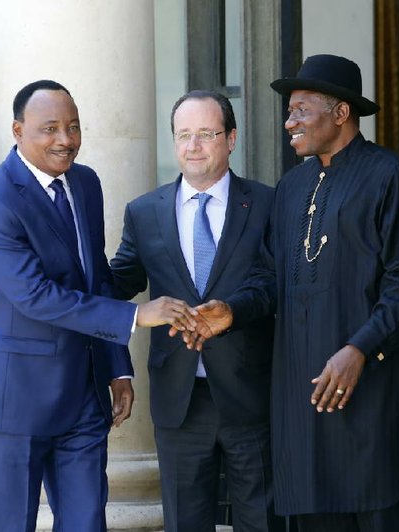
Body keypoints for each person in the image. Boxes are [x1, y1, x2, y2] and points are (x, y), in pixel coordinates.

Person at [185, 54, 399, 531]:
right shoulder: (293, 188)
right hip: (306, 408)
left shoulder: (389, 177)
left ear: (341, 113)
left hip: (376, 402)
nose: (288, 121)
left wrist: (359, 349)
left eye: (300, 109)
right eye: (288, 111)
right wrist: (231, 310)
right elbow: (271, 277)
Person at [0, 80, 198, 532]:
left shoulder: (85, 183)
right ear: (17, 130)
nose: (65, 139)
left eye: (73, 127)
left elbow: (95, 279)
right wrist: (136, 316)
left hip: (84, 399)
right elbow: (33, 295)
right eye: (49, 128)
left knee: (87, 523)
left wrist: (117, 367)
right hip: (15, 401)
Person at [110, 90, 281, 532]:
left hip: (250, 394)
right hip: (180, 398)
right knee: (186, 523)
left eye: (206, 133)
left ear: (232, 138)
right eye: (184, 135)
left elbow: (274, 284)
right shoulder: (145, 212)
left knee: (260, 520)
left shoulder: (266, 204)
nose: (193, 146)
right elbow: (117, 283)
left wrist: (233, 310)